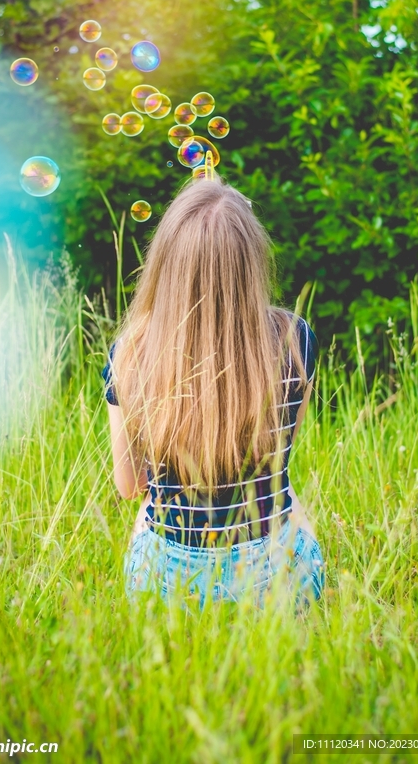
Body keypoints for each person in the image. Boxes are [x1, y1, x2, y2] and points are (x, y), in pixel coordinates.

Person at [102, 176, 324, 608]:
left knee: (145, 514)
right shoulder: (295, 339)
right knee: (290, 499)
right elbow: (279, 456)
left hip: (165, 589)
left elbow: (129, 485)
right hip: (275, 583)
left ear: (166, 262)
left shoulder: (130, 353)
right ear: (252, 261)